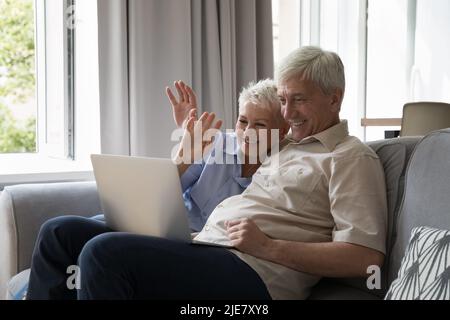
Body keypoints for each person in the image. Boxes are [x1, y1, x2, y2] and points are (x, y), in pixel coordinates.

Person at [27, 46, 388, 300]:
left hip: (253, 274)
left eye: (299, 99)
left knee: (103, 253)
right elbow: (236, 137)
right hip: (206, 247)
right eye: (283, 99)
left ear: (335, 99)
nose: (289, 111)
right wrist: (187, 136)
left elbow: (364, 257)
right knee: (60, 233)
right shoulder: (286, 144)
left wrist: (269, 246)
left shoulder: (350, 158)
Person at [166, 79, 289, 231]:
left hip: (215, 245)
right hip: (177, 228)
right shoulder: (214, 143)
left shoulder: (282, 170)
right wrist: (185, 152)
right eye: (243, 121)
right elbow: (166, 189)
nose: (248, 131)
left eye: (260, 124)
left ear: (282, 131)